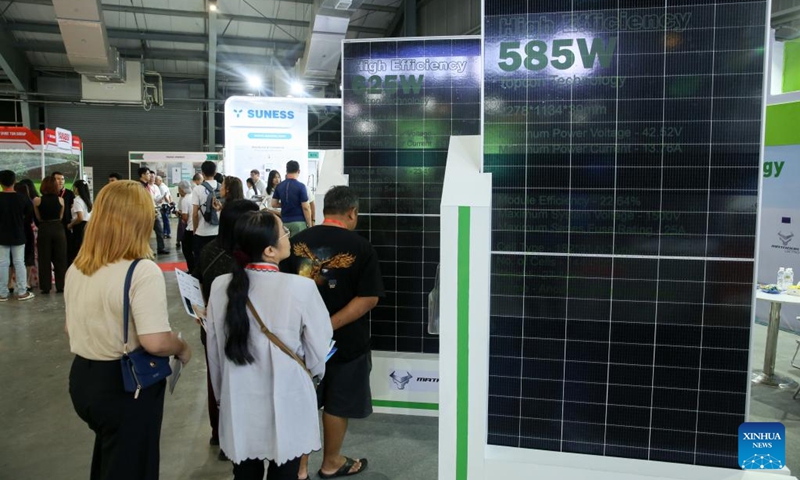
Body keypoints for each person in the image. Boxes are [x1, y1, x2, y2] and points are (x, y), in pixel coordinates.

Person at [65, 180, 192, 480]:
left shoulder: (78, 268)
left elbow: (70, 328)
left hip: (83, 379)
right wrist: (182, 348)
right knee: (135, 466)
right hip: (124, 385)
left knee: (110, 458)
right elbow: (155, 341)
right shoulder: (141, 271)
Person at [206, 210, 332, 480]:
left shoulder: (219, 287)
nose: (288, 235)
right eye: (284, 232)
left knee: (244, 472)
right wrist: (312, 372)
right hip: (289, 393)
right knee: (285, 470)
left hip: (238, 395)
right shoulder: (302, 288)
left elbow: (215, 351)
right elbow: (319, 348)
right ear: (269, 250)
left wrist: (220, 396)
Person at [283, 186, 384, 479]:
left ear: (325, 209)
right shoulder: (361, 247)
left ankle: (300, 469)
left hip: (297, 341)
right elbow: (368, 298)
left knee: (304, 403)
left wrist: (310, 329)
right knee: (338, 404)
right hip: (346, 343)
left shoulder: (295, 242)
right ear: (352, 212)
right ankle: (331, 462)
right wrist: (327, 326)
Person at [195, 200, 259, 456]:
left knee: (216, 380)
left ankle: (219, 434)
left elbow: (199, 283)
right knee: (243, 384)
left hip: (210, 325)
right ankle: (238, 437)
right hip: (243, 329)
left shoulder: (209, 250)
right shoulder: (248, 255)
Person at [0, 170, 35, 301]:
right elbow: (28, 215)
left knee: (2, 263)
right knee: (19, 262)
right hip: (19, 234)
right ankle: (22, 292)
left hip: (1, 235)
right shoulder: (23, 198)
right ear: (14, 181)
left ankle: (2, 293)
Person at [34, 176, 67, 294]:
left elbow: (38, 217)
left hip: (44, 228)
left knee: (44, 258)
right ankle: (61, 285)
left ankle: (45, 287)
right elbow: (61, 216)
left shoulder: (37, 200)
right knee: (60, 258)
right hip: (58, 228)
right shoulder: (61, 200)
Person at [192, 161, 220, 269]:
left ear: (202, 173)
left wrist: (195, 229)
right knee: (216, 263)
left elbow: (195, 214)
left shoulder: (197, 189)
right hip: (219, 232)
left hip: (202, 232)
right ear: (215, 172)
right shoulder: (222, 187)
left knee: (201, 262)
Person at [271, 161, 311, 237]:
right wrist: (310, 225)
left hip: (284, 222)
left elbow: (273, 204)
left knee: (286, 244)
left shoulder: (279, 186)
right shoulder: (301, 186)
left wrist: (285, 203)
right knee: (298, 244)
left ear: (286, 171)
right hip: (299, 223)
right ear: (298, 171)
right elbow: (306, 207)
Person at [138, 168, 168, 255]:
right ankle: (145, 251)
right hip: (145, 212)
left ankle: (161, 248)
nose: (150, 176)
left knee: (159, 230)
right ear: (142, 175)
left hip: (154, 210)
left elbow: (152, 198)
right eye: (148, 174)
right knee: (145, 233)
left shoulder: (148, 186)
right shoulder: (139, 186)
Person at [18, 179, 39, 290]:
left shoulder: (16, 201)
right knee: (30, 257)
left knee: (16, 259)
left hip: (17, 232)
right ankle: (28, 281)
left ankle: (13, 283)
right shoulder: (33, 201)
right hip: (31, 231)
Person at [53, 171, 76, 264]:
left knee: (66, 248)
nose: (61, 181)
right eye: (58, 179)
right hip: (53, 224)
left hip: (66, 225)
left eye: (62, 179)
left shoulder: (69, 194)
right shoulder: (50, 194)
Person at [67, 180, 92, 259]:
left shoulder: (77, 200)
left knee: (77, 250)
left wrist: (70, 225)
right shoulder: (88, 200)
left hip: (79, 227)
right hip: (88, 226)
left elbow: (80, 218)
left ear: (77, 189)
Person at [177, 180, 196, 273]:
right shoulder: (194, 196)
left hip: (189, 228)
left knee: (187, 251)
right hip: (197, 227)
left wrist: (179, 214)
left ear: (181, 189)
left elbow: (185, 218)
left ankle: (192, 270)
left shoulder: (185, 200)